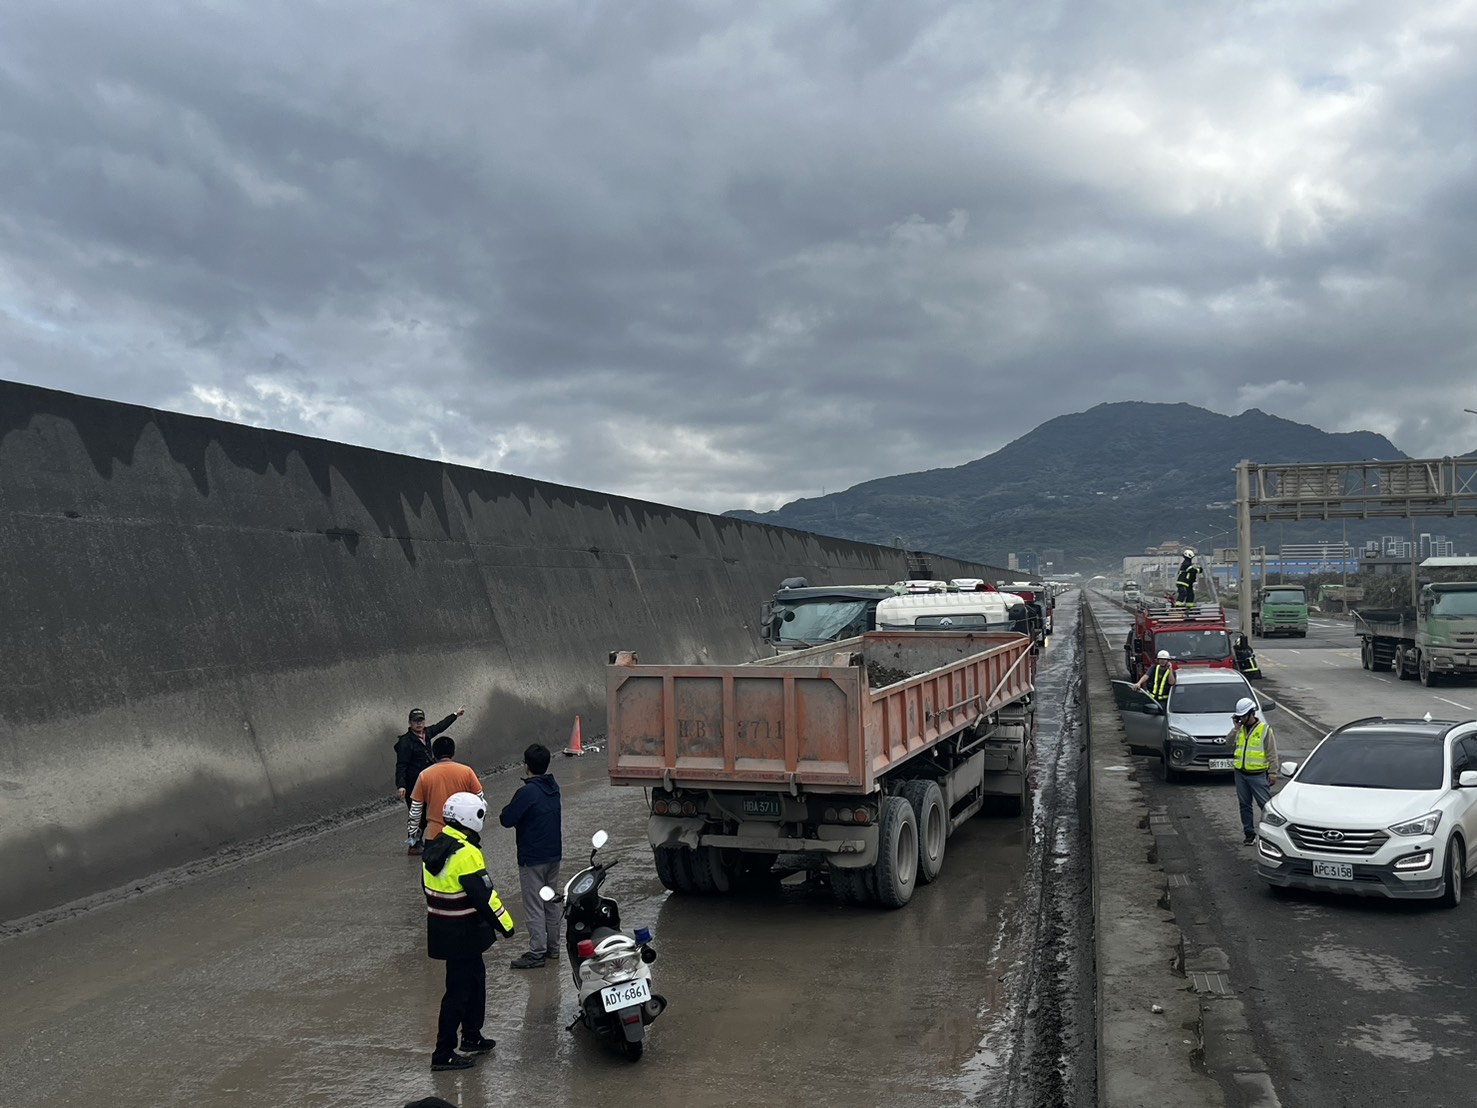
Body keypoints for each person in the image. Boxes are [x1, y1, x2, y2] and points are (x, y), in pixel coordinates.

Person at [421, 791, 516, 1071]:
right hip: (464, 935)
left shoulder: (437, 846)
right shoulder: (467, 854)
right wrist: (507, 926)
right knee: (458, 993)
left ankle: (472, 1036)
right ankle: (443, 1053)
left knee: (474, 983)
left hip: (444, 931)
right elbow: (485, 896)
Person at [499, 743, 563, 970]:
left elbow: (506, 819)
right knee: (550, 903)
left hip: (532, 858)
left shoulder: (527, 792)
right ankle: (553, 948)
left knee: (534, 905)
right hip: (553, 855)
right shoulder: (553, 787)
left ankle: (537, 952)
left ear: (526, 765)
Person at [396, 705, 465, 854]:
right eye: (415, 721)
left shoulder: (426, 733)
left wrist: (455, 714)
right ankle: (413, 844)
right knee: (416, 815)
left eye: (421, 721)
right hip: (413, 784)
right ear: (410, 723)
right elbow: (401, 765)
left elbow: (440, 726)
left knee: (429, 812)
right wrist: (401, 785)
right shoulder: (405, 742)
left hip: (427, 782)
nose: (419, 724)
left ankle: (424, 840)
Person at [409, 736, 485, 846]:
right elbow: (479, 798)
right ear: (453, 752)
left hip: (435, 834)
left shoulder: (424, 775)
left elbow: (415, 808)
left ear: (434, 754)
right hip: (462, 833)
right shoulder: (466, 771)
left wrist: (413, 832)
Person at [1228, 697, 1279, 846]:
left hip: (1258, 775)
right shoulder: (1240, 729)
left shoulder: (1264, 730)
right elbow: (1228, 743)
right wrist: (1235, 729)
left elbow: (1272, 752)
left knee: (1265, 806)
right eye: (1239, 717)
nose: (1241, 719)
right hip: (1240, 773)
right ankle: (1249, 834)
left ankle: (1272, 835)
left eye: (1243, 716)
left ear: (1252, 713)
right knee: (1244, 805)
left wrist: (1273, 772)